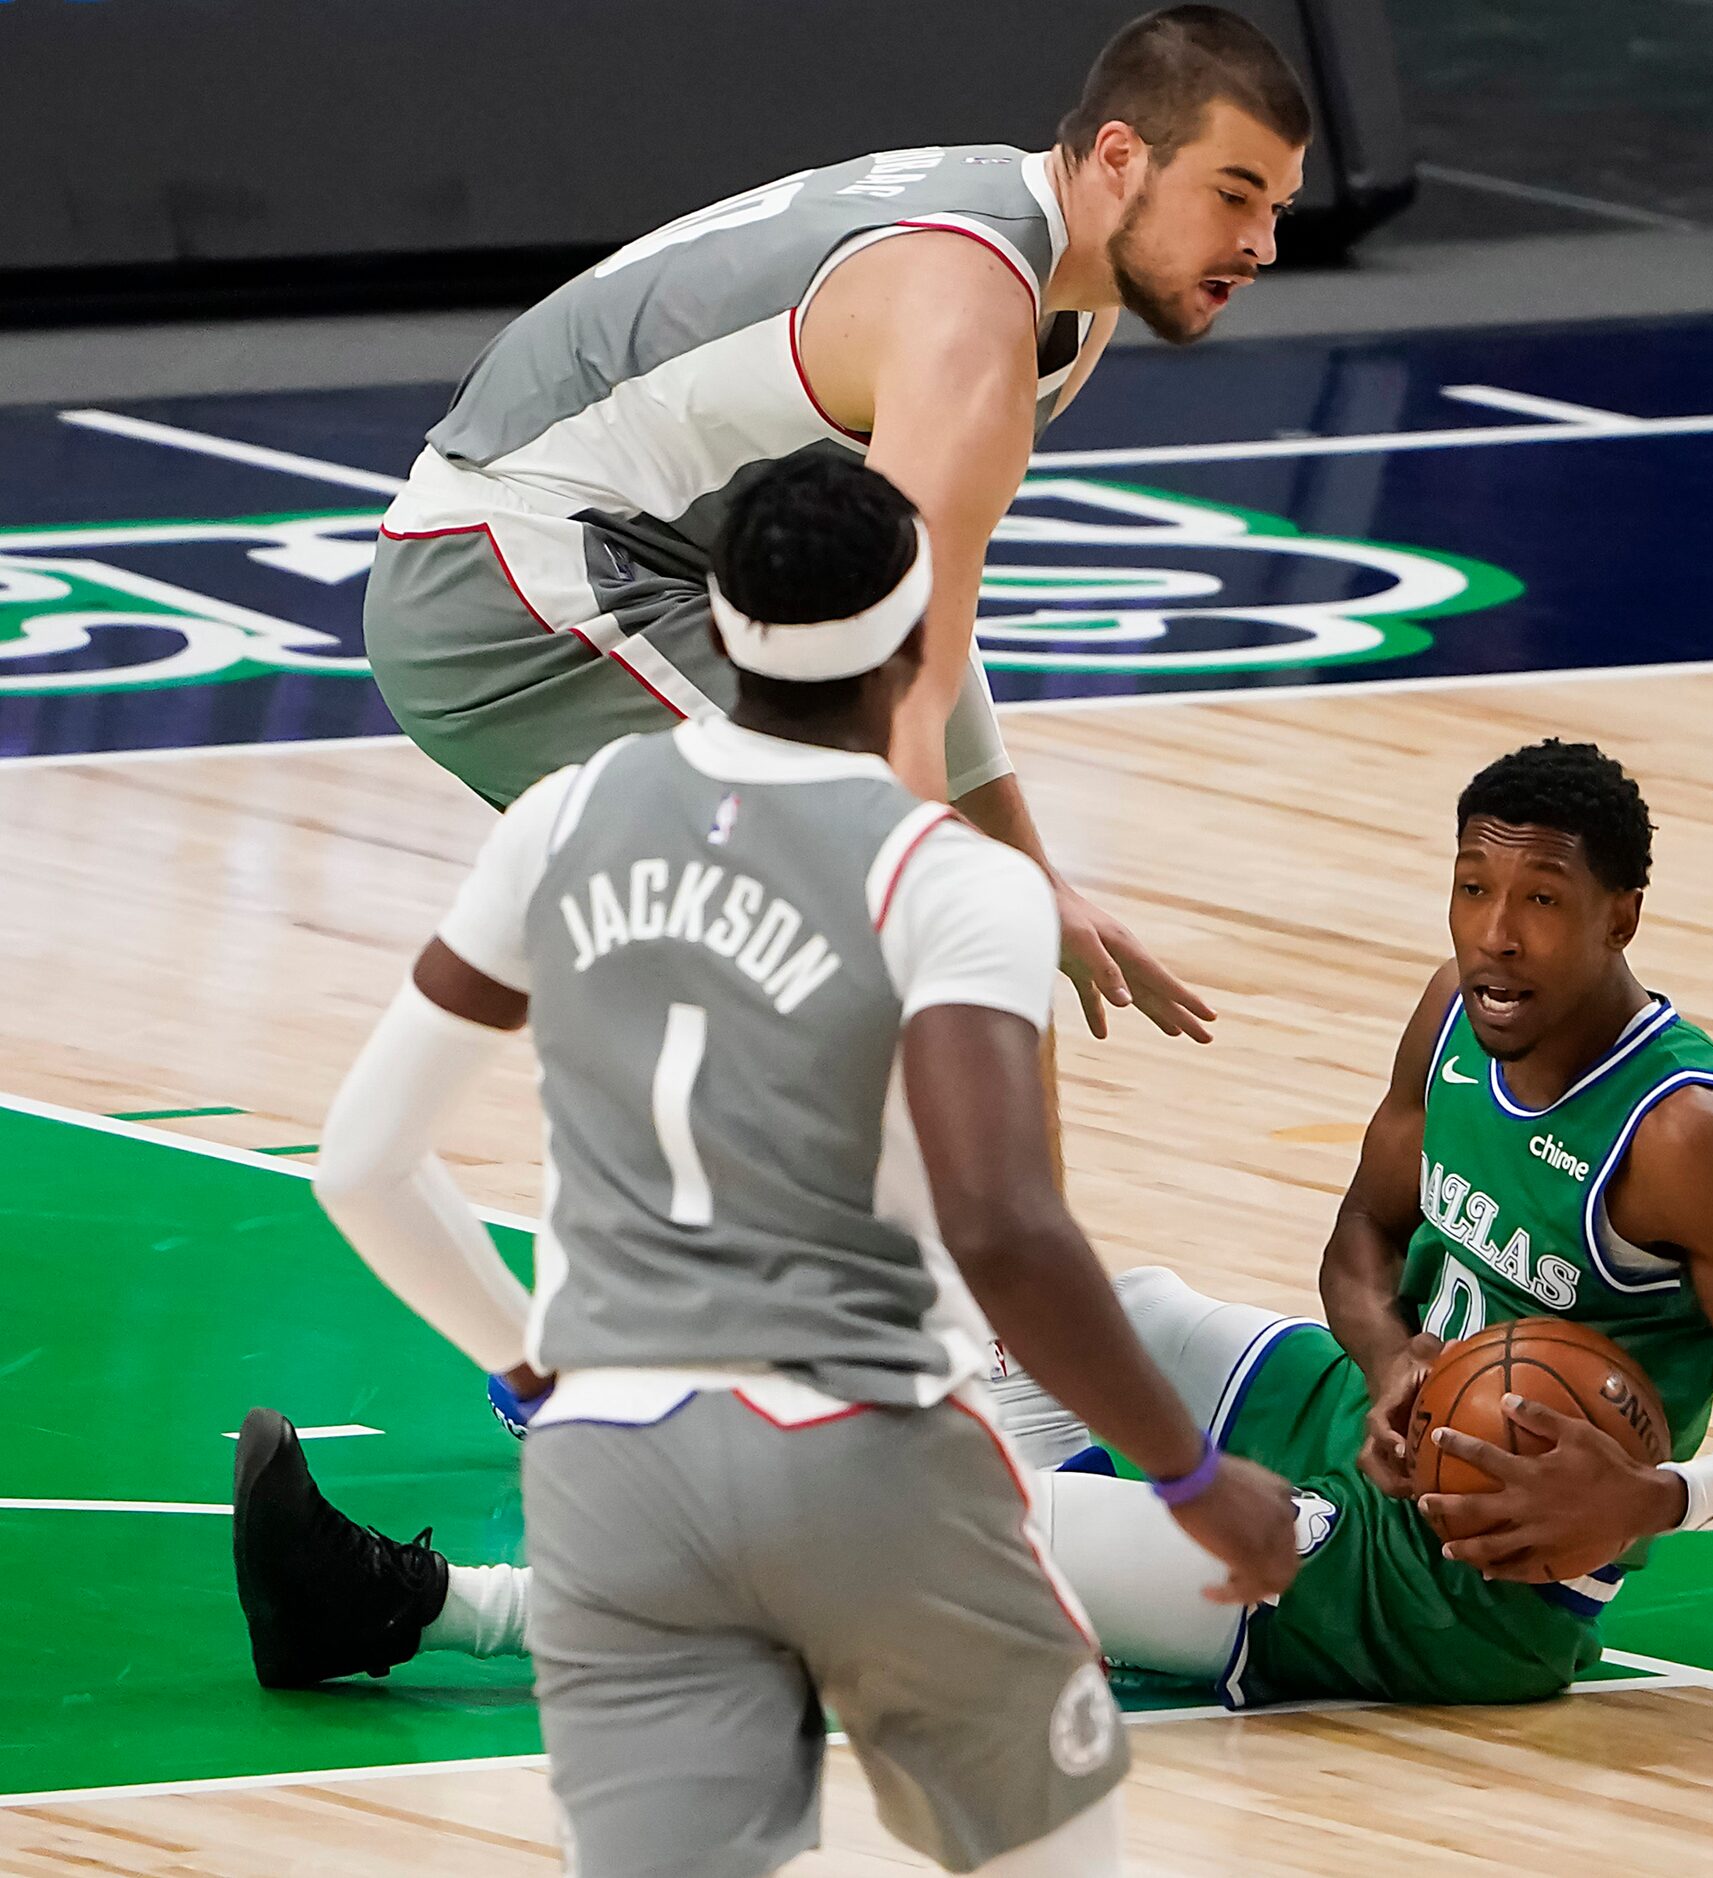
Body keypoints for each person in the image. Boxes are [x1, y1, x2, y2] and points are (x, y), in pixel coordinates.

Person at [240, 740, 1713, 1710]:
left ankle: (405, 1606)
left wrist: (1664, 1489)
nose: (1499, 934)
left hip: (1461, 1594)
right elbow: (1359, 1247)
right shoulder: (1456, 1013)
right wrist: (1386, 1357)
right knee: (1069, 1288)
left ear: (1623, 915)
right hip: (1368, 1420)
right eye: (1476, 887)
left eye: (1543, 902)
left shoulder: (1696, 1142)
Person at [267, 452, 1296, 1877]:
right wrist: (1188, 1471)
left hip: (614, 1476)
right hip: (865, 1459)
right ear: (924, 630)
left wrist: (532, 1369)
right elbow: (1003, 1223)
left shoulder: (562, 820)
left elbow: (364, 1163)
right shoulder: (948, 877)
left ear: (719, 614)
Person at [365, 4, 1314, 1047]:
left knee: (940, 928)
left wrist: (1024, 873)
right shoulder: (969, 318)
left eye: (1277, 206)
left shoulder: (1057, 282)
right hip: (511, 583)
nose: (1261, 244)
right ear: (1121, 158)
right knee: (925, 939)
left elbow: (921, 614)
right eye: (1234, 195)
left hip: (610, 563)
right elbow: (899, 658)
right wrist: (961, 885)